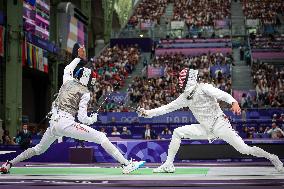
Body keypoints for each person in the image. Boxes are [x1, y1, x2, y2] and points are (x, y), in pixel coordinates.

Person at [1, 46, 144, 174]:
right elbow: (82, 119)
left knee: (39, 149)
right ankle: (126, 164)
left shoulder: (67, 80)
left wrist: (78, 57)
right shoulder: (85, 93)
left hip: (54, 125)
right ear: (87, 80)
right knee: (101, 138)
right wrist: (92, 119)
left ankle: (9, 164)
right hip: (65, 124)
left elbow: (67, 69)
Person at [138, 67, 283, 173]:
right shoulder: (185, 98)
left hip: (220, 125)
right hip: (205, 128)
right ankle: (169, 164)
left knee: (244, 149)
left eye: (182, 80)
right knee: (177, 132)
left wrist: (233, 102)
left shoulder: (204, 88)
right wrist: (147, 113)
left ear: (189, 80)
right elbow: (166, 108)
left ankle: (272, 157)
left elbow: (221, 94)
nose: (180, 83)